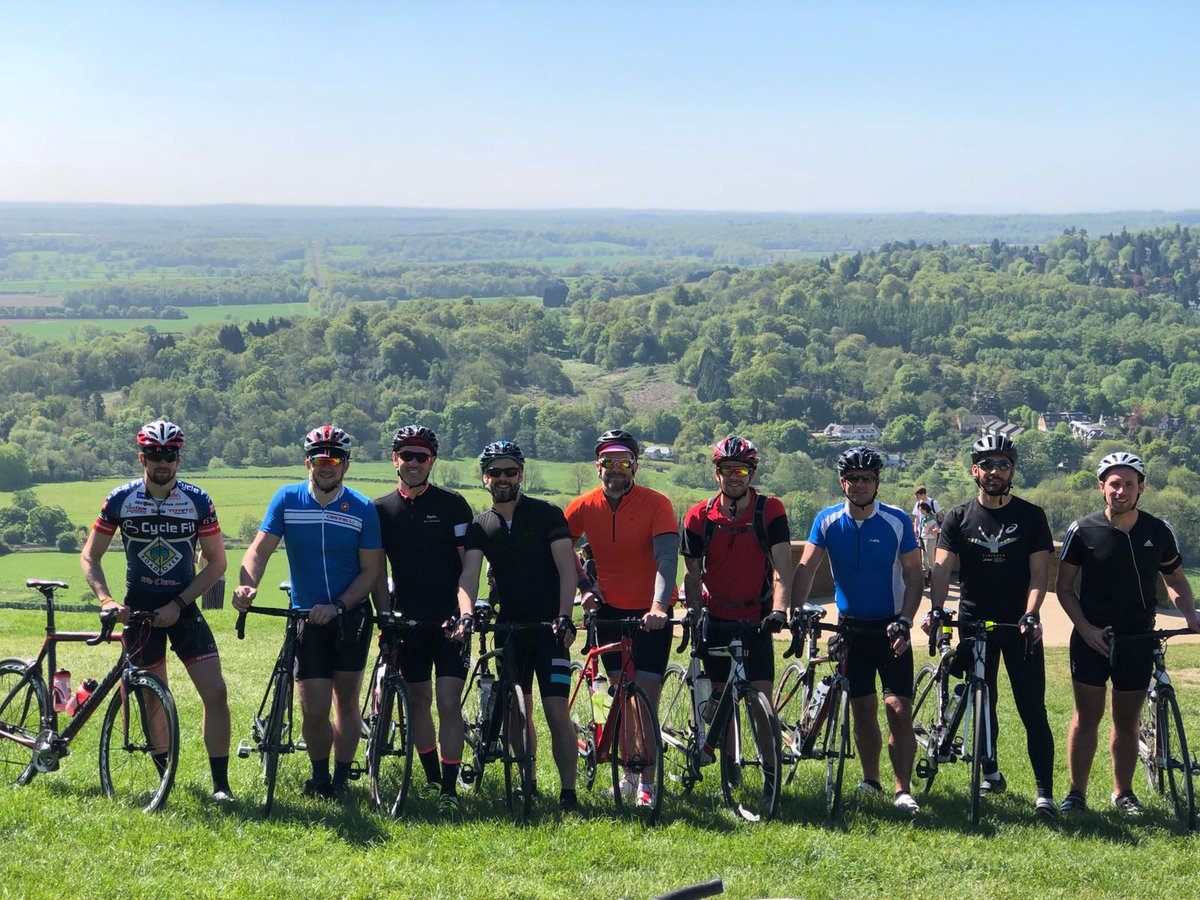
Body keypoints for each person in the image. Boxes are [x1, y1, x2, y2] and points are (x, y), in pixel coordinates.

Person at [80, 419, 234, 801]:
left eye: (169, 454)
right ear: (142, 457)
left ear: (178, 459)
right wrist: (106, 600)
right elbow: (90, 556)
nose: (162, 461)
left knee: (215, 693)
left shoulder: (198, 501)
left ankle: (221, 785)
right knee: (152, 694)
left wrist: (180, 604)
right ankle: (165, 779)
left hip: (183, 609)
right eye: (154, 454)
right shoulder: (120, 499)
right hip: (139, 612)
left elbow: (216, 563)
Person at [232, 426, 382, 800]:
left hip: (350, 615)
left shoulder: (362, 508)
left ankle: (342, 779)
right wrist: (247, 584)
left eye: (334, 459)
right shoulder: (287, 499)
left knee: (346, 702)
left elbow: (371, 571)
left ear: (346, 465)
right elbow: (258, 551)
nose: (326, 465)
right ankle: (319, 778)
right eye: (319, 458)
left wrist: (339, 606)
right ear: (308, 463)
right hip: (306, 617)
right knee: (313, 707)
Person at [1056, 451, 1200, 816]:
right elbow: (1065, 588)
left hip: (1138, 638)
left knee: (1126, 720)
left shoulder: (1158, 531)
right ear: (1101, 487)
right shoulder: (1082, 529)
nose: (1121, 491)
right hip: (1091, 639)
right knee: (1087, 716)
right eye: (1114, 483)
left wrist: (1190, 614)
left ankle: (1123, 793)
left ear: (1141, 488)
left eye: (1129, 484)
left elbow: (1176, 580)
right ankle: (1076, 794)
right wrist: (1085, 629)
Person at [927, 434, 1057, 820]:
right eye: (986, 464)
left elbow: (1039, 575)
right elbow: (941, 567)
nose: (994, 471)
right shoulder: (957, 516)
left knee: (1032, 707)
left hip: (1017, 623)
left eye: (1002, 464)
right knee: (985, 699)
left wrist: (1031, 613)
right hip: (972, 620)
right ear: (974, 470)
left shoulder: (1032, 516)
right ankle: (991, 770)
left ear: (1012, 470)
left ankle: (1044, 794)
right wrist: (936, 608)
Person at [792, 446, 924, 814]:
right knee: (863, 709)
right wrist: (796, 608)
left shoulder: (897, 520)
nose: (861, 484)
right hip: (851, 630)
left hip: (892, 627)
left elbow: (915, 575)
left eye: (867, 478)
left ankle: (903, 790)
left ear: (877, 482)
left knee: (898, 708)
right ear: (842, 482)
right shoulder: (828, 520)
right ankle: (871, 779)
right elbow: (806, 567)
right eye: (854, 478)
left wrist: (907, 619)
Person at [454, 440, 580, 811]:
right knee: (515, 709)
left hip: (548, 629)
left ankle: (568, 792)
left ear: (521, 474)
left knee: (557, 713)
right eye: (496, 472)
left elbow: (566, 569)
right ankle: (528, 780)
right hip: (509, 629)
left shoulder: (547, 514)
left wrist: (564, 616)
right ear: (485, 478)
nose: (503, 478)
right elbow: (469, 577)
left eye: (510, 471)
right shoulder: (481, 525)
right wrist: (465, 612)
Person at [565, 429, 677, 808]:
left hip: (651, 613)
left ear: (635, 467)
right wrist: (585, 587)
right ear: (598, 466)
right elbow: (561, 547)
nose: (616, 469)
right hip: (610, 611)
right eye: (609, 462)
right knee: (620, 697)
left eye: (624, 462)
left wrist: (659, 605)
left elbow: (666, 559)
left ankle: (648, 782)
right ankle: (628, 776)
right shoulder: (583, 506)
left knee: (644, 698)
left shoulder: (656, 503)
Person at [371, 425, 473, 814]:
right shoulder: (380, 510)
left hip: (449, 621)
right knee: (418, 701)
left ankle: (449, 787)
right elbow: (376, 571)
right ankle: (432, 779)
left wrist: (464, 612)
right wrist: (385, 617)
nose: (413, 463)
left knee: (448, 702)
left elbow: (469, 567)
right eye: (406, 455)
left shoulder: (453, 504)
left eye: (422, 456)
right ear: (394, 459)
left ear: (432, 461)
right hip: (407, 621)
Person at [680, 437, 792, 734]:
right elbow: (692, 573)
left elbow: (782, 567)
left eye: (740, 471)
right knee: (720, 707)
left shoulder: (770, 511)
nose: (733, 477)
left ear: (751, 474)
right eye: (727, 470)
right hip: (715, 620)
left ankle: (772, 775)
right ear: (716, 473)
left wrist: (779, 611)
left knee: (762, 704)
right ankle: (733, 772)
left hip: (756, 619)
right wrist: (695, 613)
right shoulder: (697, 516)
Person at [916, 500, 939, 583]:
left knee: (930, 560)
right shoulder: (924, 518)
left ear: (924, 509)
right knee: (924, 560)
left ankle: (935, 578)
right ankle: (926, 578)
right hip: (923, 538)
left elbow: (936, 528)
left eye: (920, 509)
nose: (920, 511)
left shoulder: (931, 517)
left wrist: (934, 530)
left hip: (929, 539)